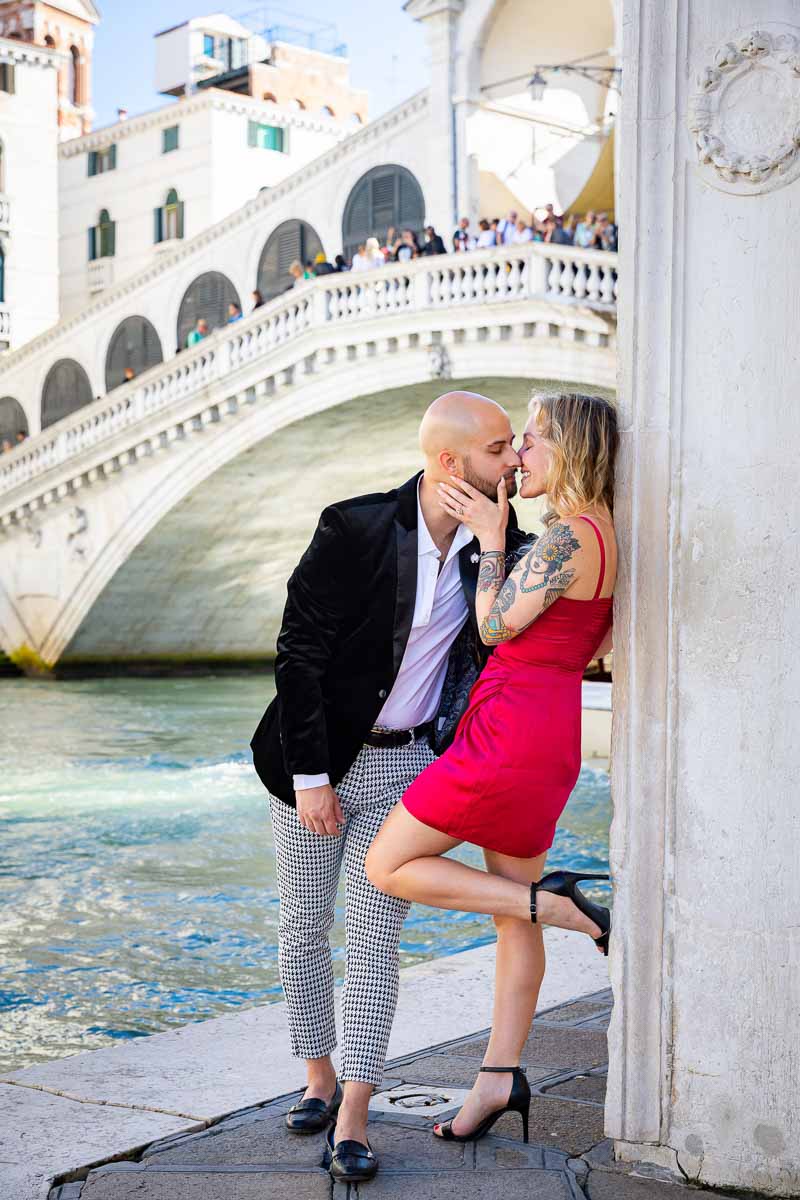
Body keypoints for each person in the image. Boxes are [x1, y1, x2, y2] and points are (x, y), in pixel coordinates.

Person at [250, 392, 529, 1184]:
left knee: (374, 938)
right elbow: (297, 655)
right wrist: (310, 778)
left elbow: (506, 631)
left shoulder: (497, 544)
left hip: (410, 770)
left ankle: (355, 1114)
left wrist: (497, 542)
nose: (511, 460)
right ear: (449, 463)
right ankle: (318, 1076)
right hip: (315, 765)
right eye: (499, 447)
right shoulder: (354, 528)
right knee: (304, 927)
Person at [366, 390, 617, 1146]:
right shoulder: (609, 532)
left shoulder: (568, 537)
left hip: (507, 737)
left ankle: (562, 904)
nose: (519, 457)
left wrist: (492, 534)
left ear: (569, 450)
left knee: (389, 863)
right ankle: (498, 1081)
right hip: (547, 734)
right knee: (510, 910)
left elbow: (492, 622)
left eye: (533, 441)